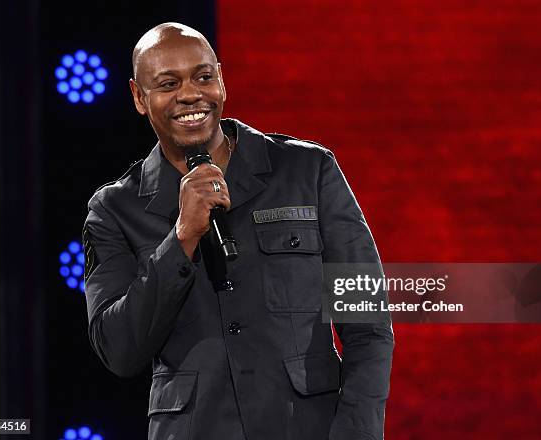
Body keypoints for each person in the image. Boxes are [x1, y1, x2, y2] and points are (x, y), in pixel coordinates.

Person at [82, 22, 394, 440]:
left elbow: (367, 323)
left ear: (222, 81)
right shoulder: (114, 210)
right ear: (140, 97)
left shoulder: (308, 170)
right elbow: (119, 350)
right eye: (168, 83)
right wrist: (181, 239)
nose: (190, 94)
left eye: (203, 76)